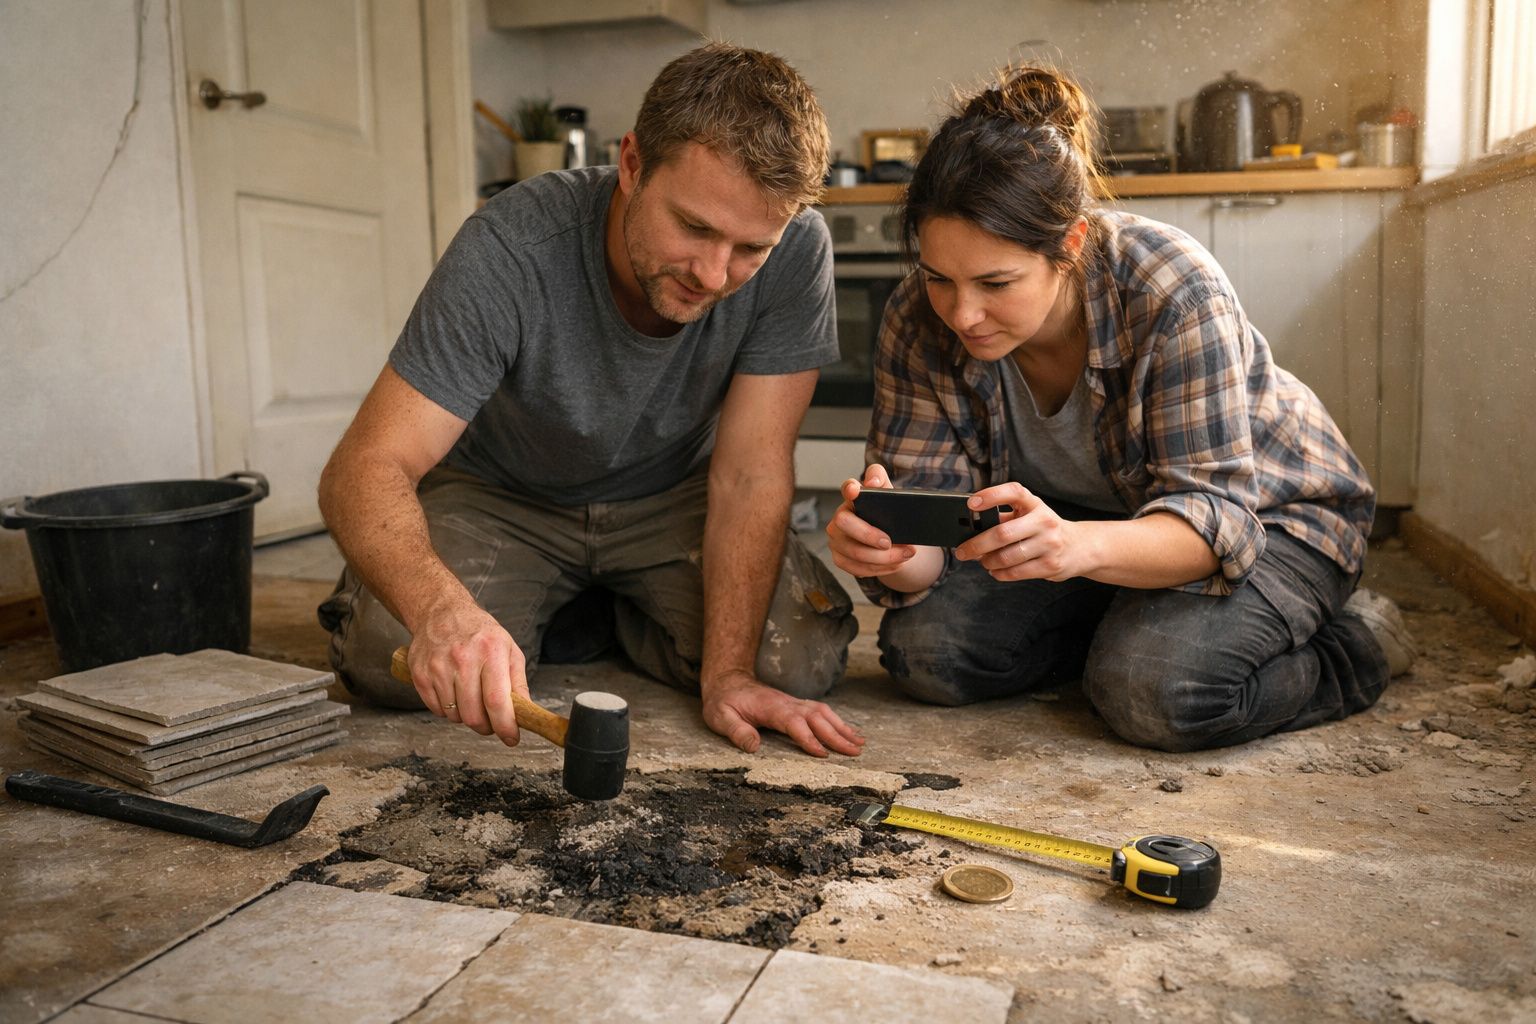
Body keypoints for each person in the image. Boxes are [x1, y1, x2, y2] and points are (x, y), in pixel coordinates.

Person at [826, 65, 1415, 753]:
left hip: (1274, 516)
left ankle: (1359, 644)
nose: (962, 313)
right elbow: (935, 551)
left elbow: (1217, 520)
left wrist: (1077, 547)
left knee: (1158, 692)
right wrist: (889, 553)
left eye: (996, 282)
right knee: (928, 653)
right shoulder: (914, 318)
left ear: (1069, 246)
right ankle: (1130, 629)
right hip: (1099, 528)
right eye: (939, 279)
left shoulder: (1170, 287)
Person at [317, 43, 863, 759]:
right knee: (391, 658)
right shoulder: (510, 247)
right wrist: (443, 612)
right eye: (694, 227)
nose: (714, 273)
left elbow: (752, 472)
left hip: (674, 497)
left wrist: (727, 673)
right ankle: (566, 603)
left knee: (796, 665)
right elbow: (364, 467)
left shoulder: (798, 250)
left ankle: (593, 609)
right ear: (632, 165)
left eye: (748, 249)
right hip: (504, 496)